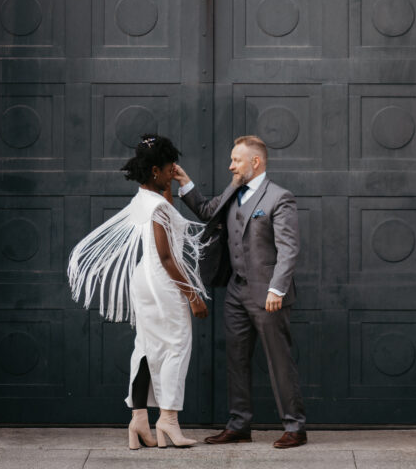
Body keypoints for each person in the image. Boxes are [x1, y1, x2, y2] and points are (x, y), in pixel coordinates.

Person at [68, 134, 209, 449]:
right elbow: (166, 254)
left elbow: (166, 228)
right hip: (162, 280)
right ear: (156, 170)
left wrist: (169, 187)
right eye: (170, 165)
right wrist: (193, 295)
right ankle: (169, 421)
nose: (175, 169)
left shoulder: (143, 199)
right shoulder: (157, 205)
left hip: (142, 281)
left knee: (145, 347)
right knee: (176, 346)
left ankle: (139, 421)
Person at [174, 134, 306, 449]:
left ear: (255, 162)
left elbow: (289, 249)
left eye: (236, 160)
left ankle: (295, 427)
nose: (231, 165)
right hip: (236, 292)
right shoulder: (234, 191)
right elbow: (208, 211)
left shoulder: (279, 197)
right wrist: (185, 182)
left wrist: (277, 288)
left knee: (279, 361)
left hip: (269, 294)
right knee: (236, 359)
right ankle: (239, 425)